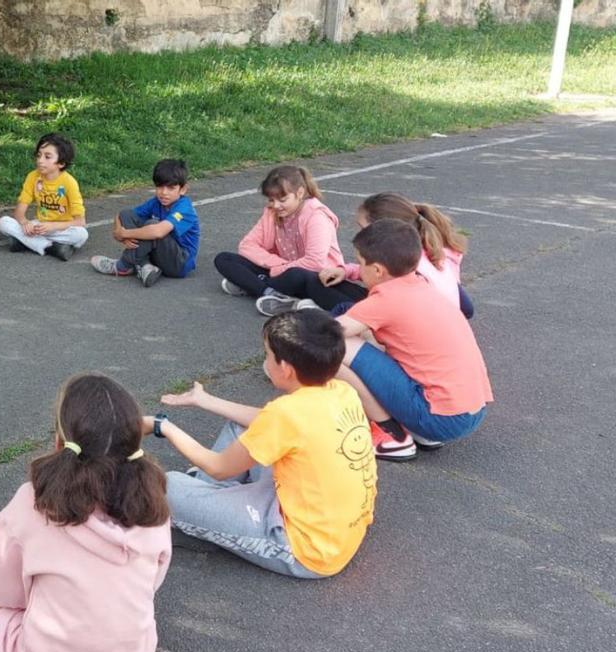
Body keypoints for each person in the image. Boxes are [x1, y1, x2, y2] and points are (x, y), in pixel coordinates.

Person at [0, 373, 172, 652]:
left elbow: (1, 593)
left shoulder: (35, 500)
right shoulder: (153, 502)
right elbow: (153, 581)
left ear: (60, 442)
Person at [157, 310, 377, 578]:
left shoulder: (287, 413)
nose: (266, 361)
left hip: (304, 549)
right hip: (331, 528)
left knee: (164, 488)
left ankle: (200, 512)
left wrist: (163, 427)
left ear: (285, 368)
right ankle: (206, 508)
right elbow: (266, 423)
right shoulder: (342, 392)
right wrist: (205, 400)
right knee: (241, 428)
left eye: (267, 355)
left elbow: (218, 467)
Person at [336, 220, 492, 460]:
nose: (359, 267)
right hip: (471, 411)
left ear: (377, 270)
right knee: (369, 339)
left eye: (361, 262)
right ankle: (417, 428)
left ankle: (391, 434)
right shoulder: (421, 285)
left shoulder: (386, 299)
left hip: (440, 418)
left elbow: (324, 334)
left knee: (333, 348)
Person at [213, 165, 346, 316]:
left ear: (300, 193)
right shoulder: (271, 213)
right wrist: (279, 265)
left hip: (314, 276)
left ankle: (253, 285)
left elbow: (314, 262)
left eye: (282, 199)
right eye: (271, 200)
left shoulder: (317, 216)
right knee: (224, 259)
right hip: (281, 267)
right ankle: (271, 293)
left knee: (294, 275)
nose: (276, 205)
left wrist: (279, 270)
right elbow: (247, 245)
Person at [319, 192, 474, 318]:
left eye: (363, 229)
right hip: (443, 312)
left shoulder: (405, 262)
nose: (361, 234)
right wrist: (347, 271)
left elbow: (387, 300)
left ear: (387, 230)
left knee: (345, 308)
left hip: (426, 320)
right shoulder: (429, 248)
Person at [90, 159, 200, 287]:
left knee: (152, 225)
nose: (164, 193)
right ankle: (145, 266)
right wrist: (118, 231)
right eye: (160, 186)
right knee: (127, 214)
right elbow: (120, 216)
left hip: (178, 263)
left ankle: (123, 265)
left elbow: (158, 232)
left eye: (171, 188)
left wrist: (125, 233)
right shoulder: (156, 202)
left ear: (183, 189)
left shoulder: (185, 209)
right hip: (159, 254)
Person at [0, 132, 88, 261]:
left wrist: (53, 226)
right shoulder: (33, 177)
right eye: (39, 155)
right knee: (3, 222)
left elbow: (80, 222)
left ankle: (24, 242)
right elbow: (19, 211)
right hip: (39, 226)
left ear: (61, 163)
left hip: (61, 229)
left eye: (47, 157)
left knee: (81, 235)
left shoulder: (69, 182)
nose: (40, 160)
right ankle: (50, 248)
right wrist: (24, 223)